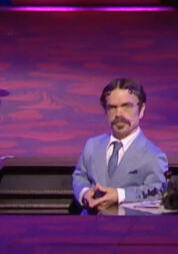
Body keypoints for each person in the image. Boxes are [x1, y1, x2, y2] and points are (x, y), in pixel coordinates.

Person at [72, 78, 169, 212]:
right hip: (90, 227)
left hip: (130, 229)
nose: (118, 114)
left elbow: (157, 191)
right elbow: (79, 176)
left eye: (126, 106)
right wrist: (84, 193)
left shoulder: (153, 156)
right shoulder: (92, 146)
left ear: (141, 110)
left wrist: (119, 195)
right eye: (112, 108)